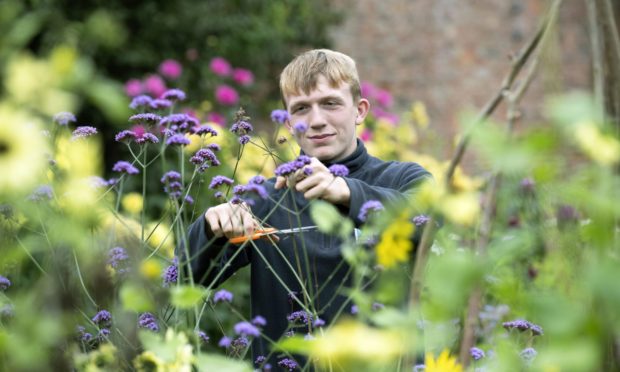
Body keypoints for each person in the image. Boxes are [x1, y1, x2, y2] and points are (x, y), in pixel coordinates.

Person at [184, 49, 432, 369]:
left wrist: (346, 193)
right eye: (302, 108)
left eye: (330, 103)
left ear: (359, 110)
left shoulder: (403, 179)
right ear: (289, 122)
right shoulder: (264, 199)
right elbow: (184, 278)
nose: (316, 121)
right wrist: (208, 229)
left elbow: (426, 223)